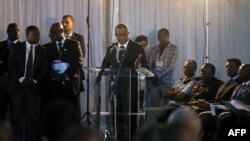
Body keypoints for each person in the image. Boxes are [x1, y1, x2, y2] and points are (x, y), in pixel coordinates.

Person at [101, 23, 147, 141]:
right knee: (117, 115)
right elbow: (104, 66)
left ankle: (132, 137)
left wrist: (138, 65)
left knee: (131, 115)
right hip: (115, 87)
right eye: (118, 35)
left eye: (123, 34)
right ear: (115, 35)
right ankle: (118, 137)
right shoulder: (112, 49)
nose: (121, 37)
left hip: (131, 87)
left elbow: (145, 67)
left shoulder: (137, 47)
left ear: (128, 34)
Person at [7, 25, 48, 141]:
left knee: (32, 119)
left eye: (38, 34)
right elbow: (11, 65)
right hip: (17, 88)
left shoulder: (43, 50)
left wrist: (34, 80)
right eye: (34, 34)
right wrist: (21, 79)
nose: (37, 36)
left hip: (34, 89)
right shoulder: (17, 47)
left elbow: (45, 68)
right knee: (16, 118)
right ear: (28, 34)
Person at [198, 58, 242, 141]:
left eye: (231, 66)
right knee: (195, 111)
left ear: (238, 68)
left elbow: (229, 102)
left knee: (203, 116)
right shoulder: (224, 84)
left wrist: (210, 105)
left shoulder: (240, 83)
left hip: (225, 111)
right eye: (226, 66)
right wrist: (206, 103)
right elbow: (216, 99)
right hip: (216, 109)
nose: (228, 69)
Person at [145, 59, 198, 125]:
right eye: (184, 67)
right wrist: (177, 93)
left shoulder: (193, 83)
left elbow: (180, 97)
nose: (184, 69)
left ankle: (151, 134)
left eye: (187, 67)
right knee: (146, 110)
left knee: (151, 112)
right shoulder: (180, 80)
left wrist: (174, 93)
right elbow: (167, 95)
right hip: (169, 106)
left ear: (193, 69)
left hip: (178, 108)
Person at [46, 22, 83, 112]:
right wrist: (52, 73)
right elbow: (45, 65)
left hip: (71, 85)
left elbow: (78, 62)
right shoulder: (47, 47)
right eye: (51, 32)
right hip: (54, 87)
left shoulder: (74, 44)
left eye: (54, 32)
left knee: (72, 114)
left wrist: (65, 74)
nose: (52, 35)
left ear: (62, 31)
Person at [216, 64, 250, 140]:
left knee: (224, 119)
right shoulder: (238, 87)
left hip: (245, 118)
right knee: (221, 115)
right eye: (238, 71)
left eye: (241, 71)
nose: (239, 73)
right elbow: (232, 102)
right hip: (234, 114)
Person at [148, 28, 178, 107]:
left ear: (168, 36)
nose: (160, 38)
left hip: (167, 83)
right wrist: (153, 77)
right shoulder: (154, 49)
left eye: (162, 36)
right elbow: (150, 65)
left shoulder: (174, 48)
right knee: (154, 108)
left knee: (168, 108)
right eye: (159, 36)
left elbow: (171, 66)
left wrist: (156, 76)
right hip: (154, 84)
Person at [0, 23, 21, 120]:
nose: (16, 32)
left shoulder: (23, 47)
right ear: (8, 32)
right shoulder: (1, 46)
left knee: (17, 114)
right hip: (2, 84)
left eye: (18, 30)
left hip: (18, 85)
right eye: (13, 30)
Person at [61, 15, 85, 93]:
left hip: (74, 74)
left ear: (73, 24)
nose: (64, 24)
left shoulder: (79, 38)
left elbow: (82, 55)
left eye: (67, 22)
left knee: (74, 102)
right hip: (60, 75)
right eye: (62, 22)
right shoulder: (58, 37)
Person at [134, 35, 149, 108]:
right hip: (133, 77)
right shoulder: (132, 52)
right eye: (141, 44)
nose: (143, 47)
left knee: (142, 96)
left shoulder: (146, 53)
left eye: (145, 45)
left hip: (142, 78)